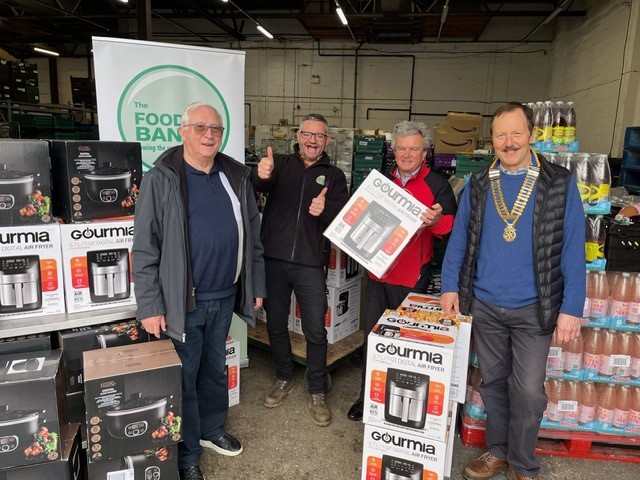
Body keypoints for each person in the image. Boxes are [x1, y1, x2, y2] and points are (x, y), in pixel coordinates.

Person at [440, 102, 585, 480]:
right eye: (501, 135)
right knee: (493, 383)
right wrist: (450, 286)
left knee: (529, 391)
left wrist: (572, 307)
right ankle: (499, 451)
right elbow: (460, 239)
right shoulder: (478, 183)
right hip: (486, 304)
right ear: (492, 140)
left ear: (532, 134)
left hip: (534, 307)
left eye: (516, 133)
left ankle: (523, 463)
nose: (509, 142)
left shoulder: (559, 183)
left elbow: (573, 247)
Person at [132, 102, 266, 480]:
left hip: (225, 295)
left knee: (214, 369)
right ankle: (188, 455)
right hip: (183, 301)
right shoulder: (162, 178)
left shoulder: (235, 176)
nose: (209, 135)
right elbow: (144, 247)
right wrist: (150, 305)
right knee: (185, 378)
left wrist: (255, 284)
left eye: (216, 129)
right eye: (200, 127)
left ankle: (211, 429)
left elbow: (253, 237)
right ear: (183, 131)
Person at [346, 120, 457, 421]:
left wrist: (436, 222)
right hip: (377, 275)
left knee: (405, 344)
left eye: (414, 149)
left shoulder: (437, 185)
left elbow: (451, 228)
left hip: (412, 279)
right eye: (402, 148)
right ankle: (367, 398)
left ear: (425, 152)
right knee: (374, 338)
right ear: (393, 151)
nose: (407, 154)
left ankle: (399, 405)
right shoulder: (380, 181)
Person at [251, 113, 349, 427]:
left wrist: (326, 209)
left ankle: (317, 389)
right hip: (275, 259)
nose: (312, 140)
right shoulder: (279, 164)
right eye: (307, 134)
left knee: (316, 330)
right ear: (298, 135)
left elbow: (344, 216)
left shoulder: (334, 176)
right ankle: (283, 377)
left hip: (310, 263)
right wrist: (260, 174)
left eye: (319, 136)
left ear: (327, 141)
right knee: (276, 323)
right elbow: (258, 185)